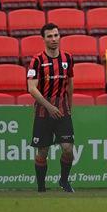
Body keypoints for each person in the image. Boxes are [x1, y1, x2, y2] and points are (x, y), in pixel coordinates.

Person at [27, 23, 75, 193]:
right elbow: (32, 88)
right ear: (44, 39)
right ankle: (41, 188)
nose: (54, 39)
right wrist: (48, 107)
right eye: (50, 36)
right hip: (43, 112)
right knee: (42, 152)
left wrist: (70, 106)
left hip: (62, 110)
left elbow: (70, 84)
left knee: (68, 149)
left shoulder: (67, 58)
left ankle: (64, 180)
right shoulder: (37, 61)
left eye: (56, 35)